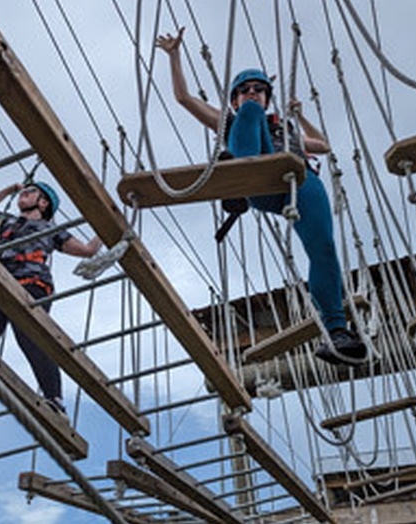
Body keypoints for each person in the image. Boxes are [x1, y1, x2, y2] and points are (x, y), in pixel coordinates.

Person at [156, 27, 367, 366]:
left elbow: (323, 145)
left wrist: (298, 117)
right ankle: (240, 173)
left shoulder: (286, 129)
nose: (252, 94)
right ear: (235, 98)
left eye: (258, 90)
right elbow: (184, 99)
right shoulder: (232, 121)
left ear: (269, 96)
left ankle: (337, 332)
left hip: (298, 181)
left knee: (323, 248)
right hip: (259, 182)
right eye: (245, 91)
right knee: (249, 118)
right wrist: (174, 56)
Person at [0, 181, 103, 431]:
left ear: (43, 202)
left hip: (30, 283)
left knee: (32, 338)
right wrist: (8, 189)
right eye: (24, 192)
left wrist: (106, 224)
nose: (24, 194)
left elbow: (88, 250)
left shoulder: (50, 229)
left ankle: (55, 402)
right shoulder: (2, 220)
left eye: (30, 192)